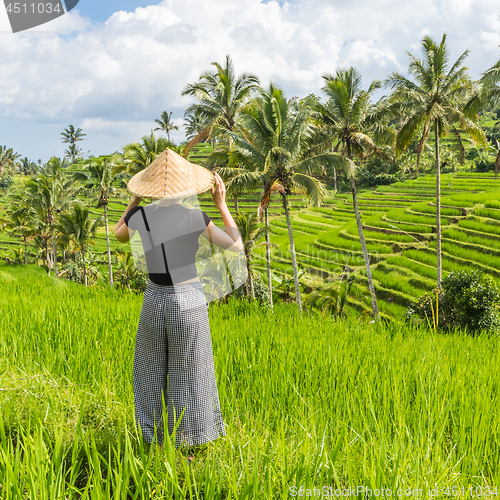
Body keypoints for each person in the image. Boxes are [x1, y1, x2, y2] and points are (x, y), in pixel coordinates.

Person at [114, 149, 243, 452]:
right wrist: (221, 204)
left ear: (149, 187)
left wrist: (133, 201)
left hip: (153, 300)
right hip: (188, 300)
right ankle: (188, 441)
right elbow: (235, 245)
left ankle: (150, 438)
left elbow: (119, 235)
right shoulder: (194, 216)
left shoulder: (141, 214)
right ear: (185, 186)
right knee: (191, 370)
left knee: (149, 369)